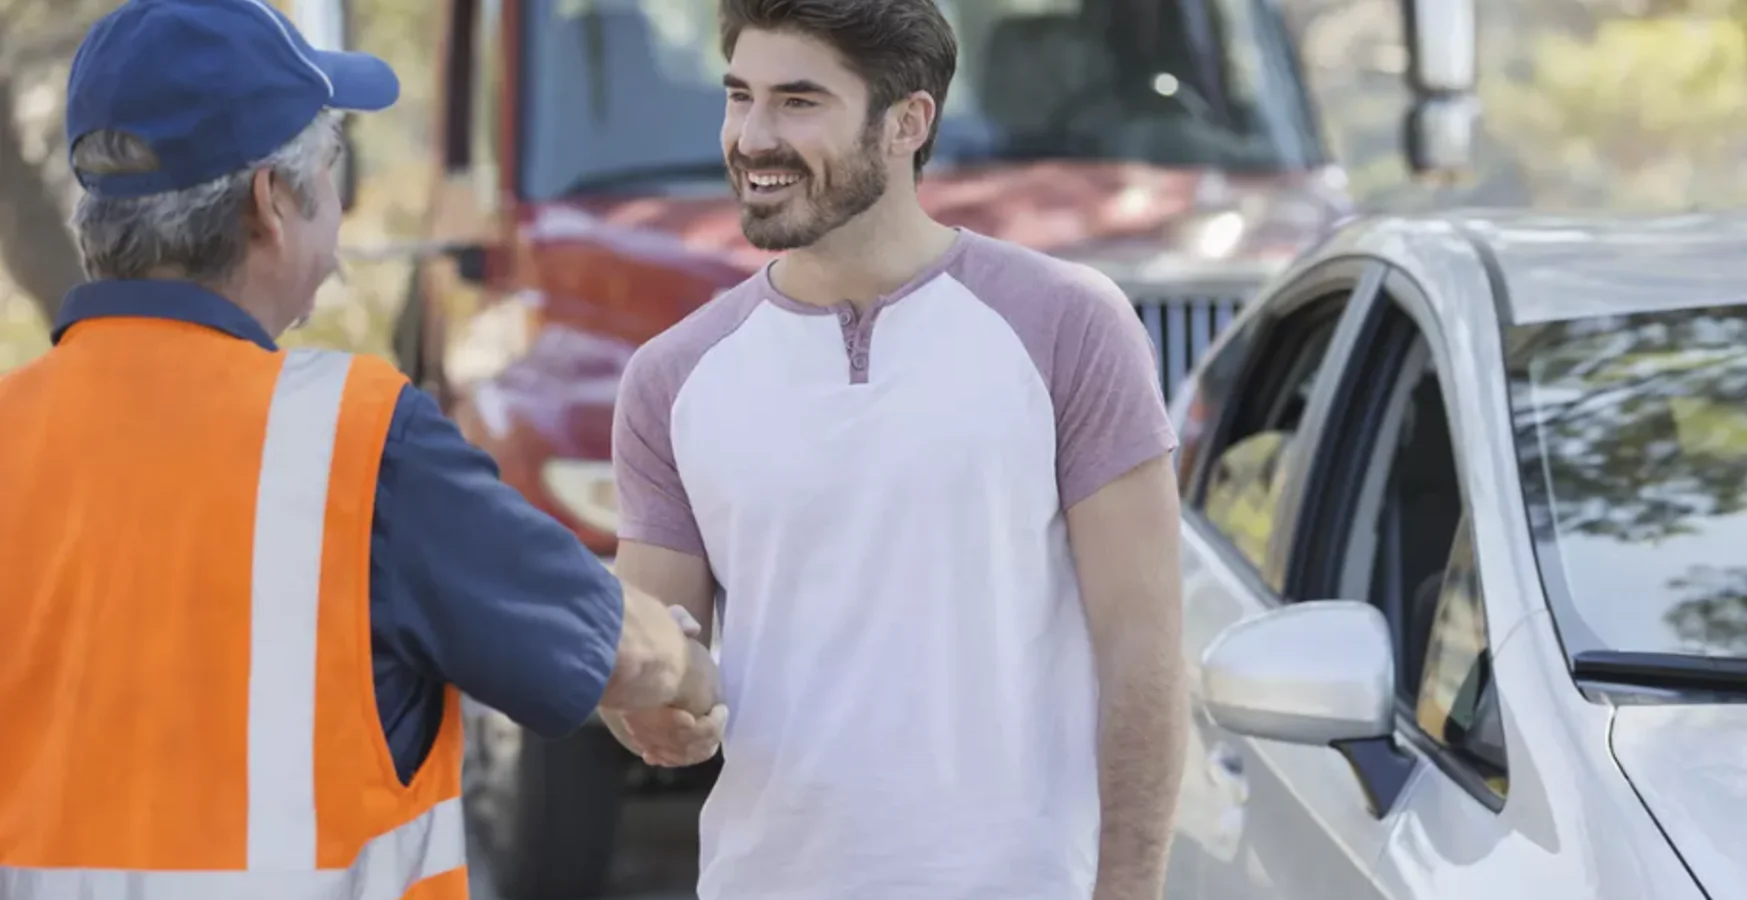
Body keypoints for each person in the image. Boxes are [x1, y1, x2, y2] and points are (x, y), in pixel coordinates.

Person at [0, 1, 723, 897]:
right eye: (333, 166)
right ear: (272, 203)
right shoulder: (353, 442)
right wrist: (690, 676)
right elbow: (614, 644)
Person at [606, 0, 1187, 897]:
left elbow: (1143, 654)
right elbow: (654, 652)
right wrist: (651, 710)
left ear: (906, 123)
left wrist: (1131, 889)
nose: (753, 138)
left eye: (799, 102)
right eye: (739, 97)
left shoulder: (1069, 327)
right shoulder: (671, 378)